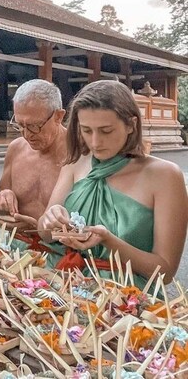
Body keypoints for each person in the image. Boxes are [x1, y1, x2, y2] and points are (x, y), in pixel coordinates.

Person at [39, 80, 188, 287]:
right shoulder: (76, 163)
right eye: (87, 130)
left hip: (126, 295)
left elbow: (165, 271)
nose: (95, 142)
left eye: (106, 131)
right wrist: (50, 218)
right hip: (65, 284)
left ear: (131, 125)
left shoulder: (164, 176)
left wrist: (109, 241)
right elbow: (44, 234)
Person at [0, 80, 66, 232]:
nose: (27, 135)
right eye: (20, 125)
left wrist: (39, 228)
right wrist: (2, 199)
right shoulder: (16, 148)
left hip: (64, 251)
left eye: (34, 126)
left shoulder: (79, 154)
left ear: (58, 117)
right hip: (19, 247)